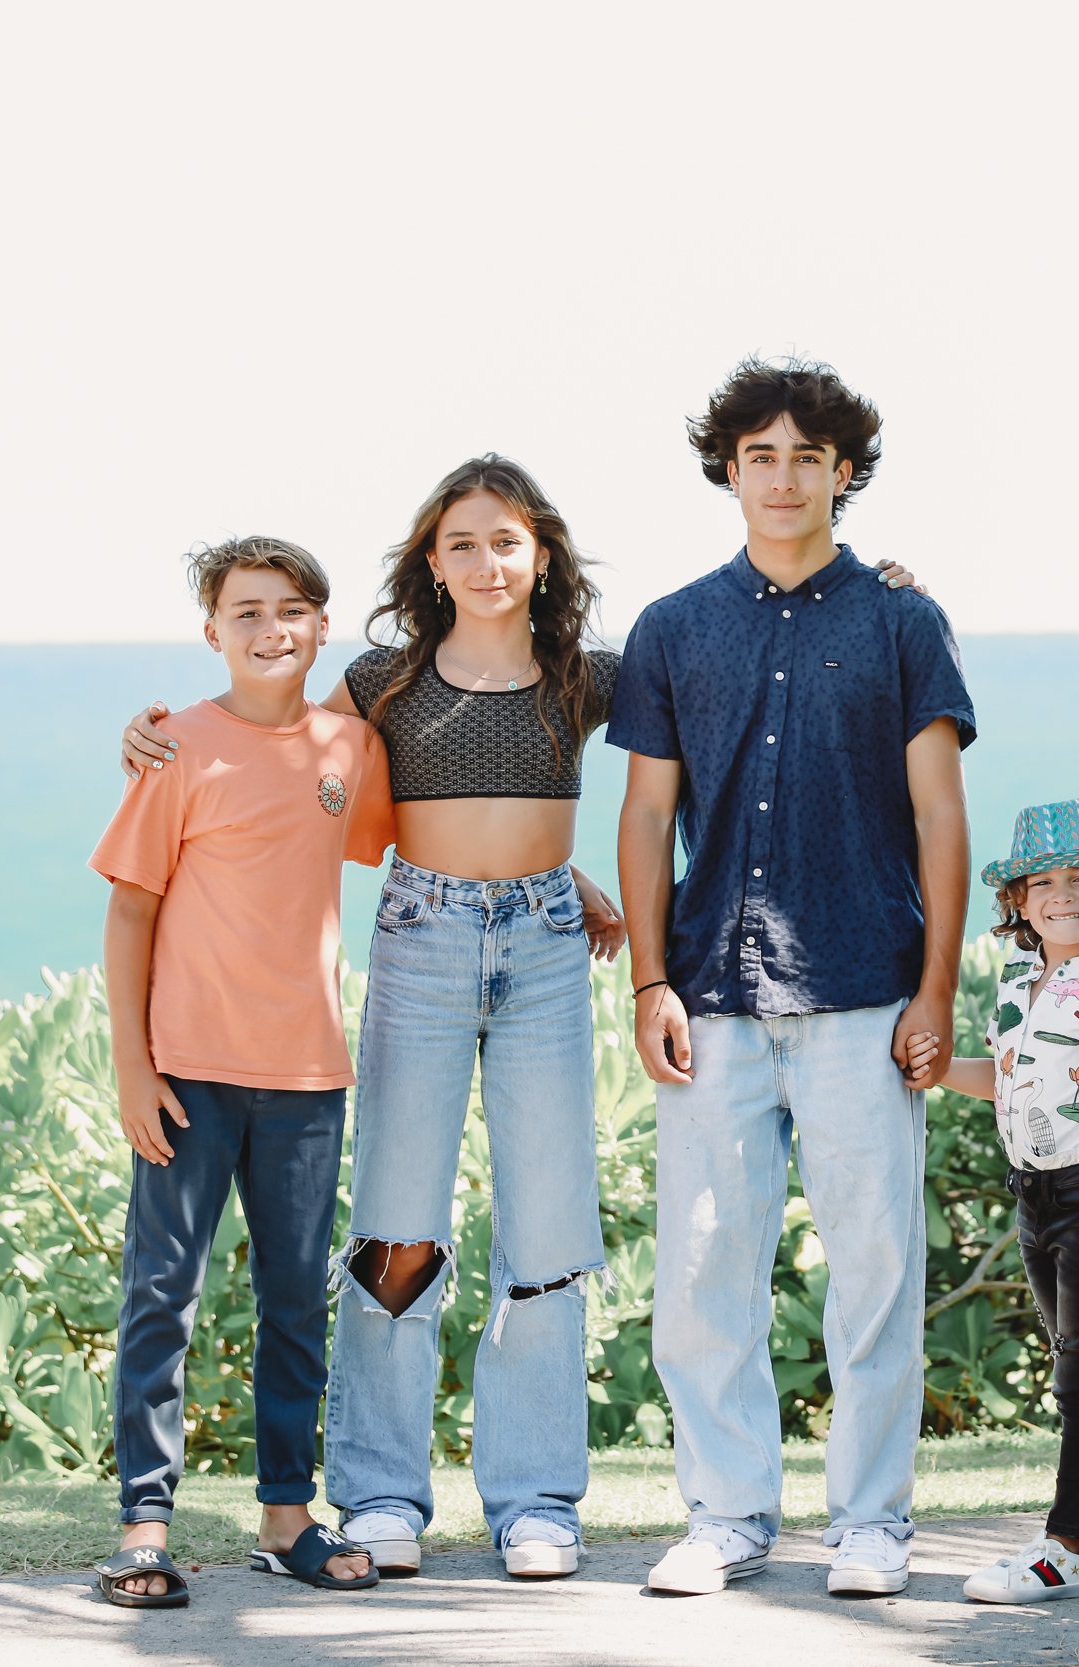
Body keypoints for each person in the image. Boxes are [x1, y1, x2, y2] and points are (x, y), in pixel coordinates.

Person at [116, 459, 924, 1583]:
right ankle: (383, 1494)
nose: (484, 562)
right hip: (422, 941)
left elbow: (731, 673)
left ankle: (536, 1499)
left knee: (547, 1235)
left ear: (539, 553)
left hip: (546, 948)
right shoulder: (378, 678)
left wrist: (871, 585)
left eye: (505, 540)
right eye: (460, 542)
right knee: (399, 1228)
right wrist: (152, 732)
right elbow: (270, 736)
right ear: (430, 560)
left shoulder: (587, 673)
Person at [609, 356, 975, 1597]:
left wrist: (937, 989)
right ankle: (725, 1516)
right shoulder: (670, 627)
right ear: (727, 469)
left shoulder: (900, 622)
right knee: (705, 1270)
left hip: (867, 988)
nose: (781, 476)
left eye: (805, 457)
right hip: (710, 994)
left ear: (843, 474)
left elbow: (940, 818)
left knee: (874, 1269)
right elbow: (646, 814)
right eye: (758, 455)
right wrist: (651, 979)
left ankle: (871, 1522)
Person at [87, 536, 391, 1606]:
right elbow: (131, 908)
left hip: (307, 1073)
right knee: (163, 1293)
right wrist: (133, 1065)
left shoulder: (350, 746)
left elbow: (431, 846)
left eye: (292, 609)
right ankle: (143, 1521)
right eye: (246, 611)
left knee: (294, 1300)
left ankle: (284, 1515)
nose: (271, 628)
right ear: (213, 631)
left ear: (321, 625)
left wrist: (566, 875)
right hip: (189, 1075)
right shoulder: (177, 748)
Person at [915, 798, 1079, 1605]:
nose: (1064, 894)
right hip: (1033, 1192)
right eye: (1046, 882)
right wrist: (932, 1069)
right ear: (1020, 904)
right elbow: (1003, 1078)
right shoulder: (1018, 982)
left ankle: (1069, 1545)